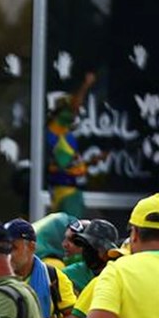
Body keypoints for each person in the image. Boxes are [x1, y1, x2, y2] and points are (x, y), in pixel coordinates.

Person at [45, 72, 98, 216]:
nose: (74, 113)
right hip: (64, 191)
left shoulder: (66, 133)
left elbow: (71, 163)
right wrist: (86, 85)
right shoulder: (53, 132)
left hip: (69, 188)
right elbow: (63, 162)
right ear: (58, 113)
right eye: (68, 110)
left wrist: (92, 162)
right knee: (71, 231)